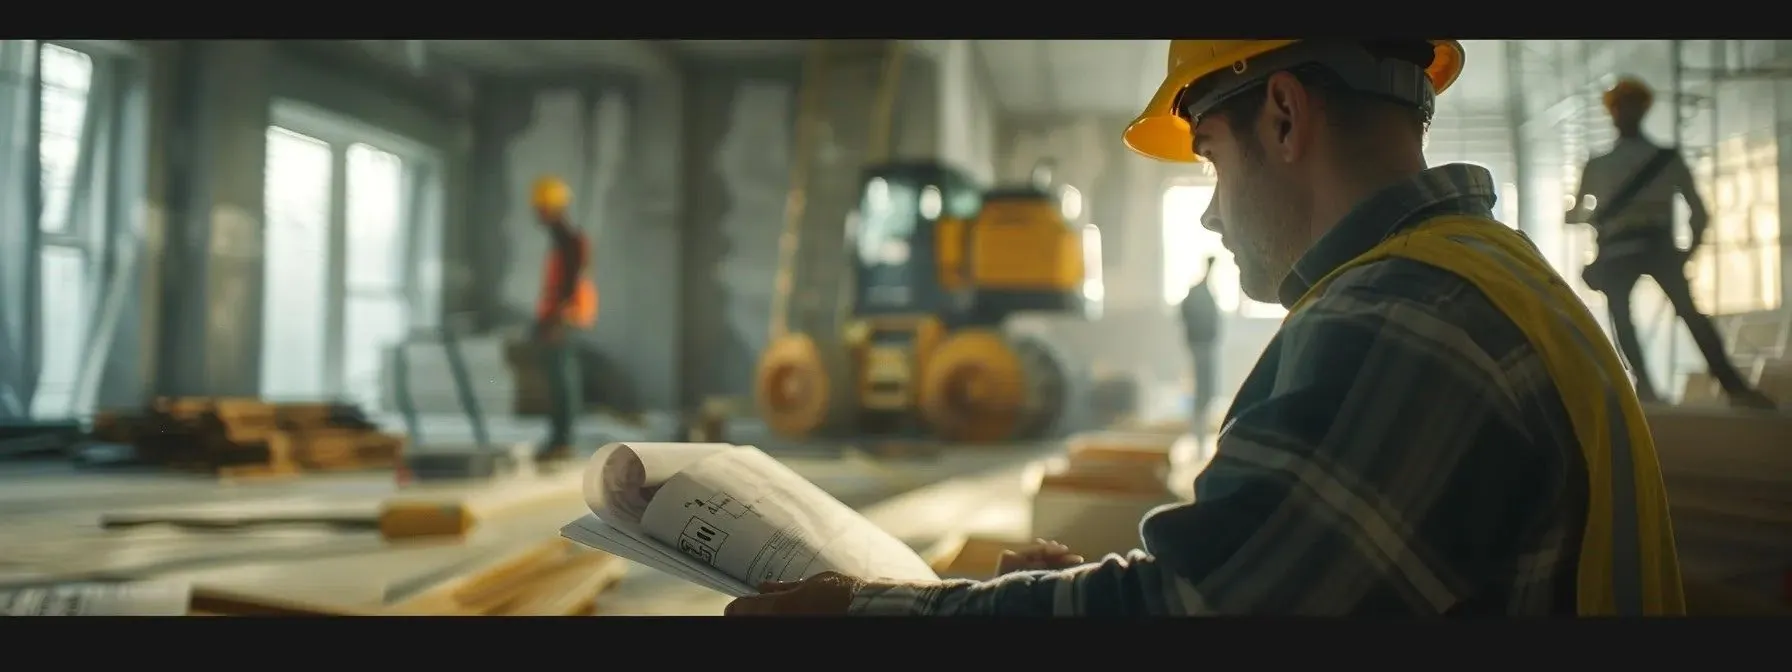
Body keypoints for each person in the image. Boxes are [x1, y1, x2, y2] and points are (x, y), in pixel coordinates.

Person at [725, 40, 1686, 617]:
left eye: (1210, 164)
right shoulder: (1491, 275)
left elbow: (1190, 624)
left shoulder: (1399, 318)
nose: (1210, 213)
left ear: (1281, 116)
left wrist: (865, 620)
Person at [1566, 77, 1775, 409]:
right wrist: (1686, 253)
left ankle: (1646, 389)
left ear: (1612, 113)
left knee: (1623, 316)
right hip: (1659, 249)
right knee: (1692, 316)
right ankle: (1734, 388)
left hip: (1617, 252)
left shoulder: (1598, 165)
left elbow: (1574, 215)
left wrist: (1588, 216)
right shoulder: (1667, 160)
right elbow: (1700, 213)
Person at [529, 175, 598, 462]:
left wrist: (558, 319)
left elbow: (570, 283)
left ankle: (562, 441)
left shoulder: (570, 241)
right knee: (559, 380)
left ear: (553, 208)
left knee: (562, 381)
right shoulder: (561, 240)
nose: (537, 215)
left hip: (564, 319)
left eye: (541, 208)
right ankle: (560, 438)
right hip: (558, 317)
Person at [1180, 255, 1222, 440]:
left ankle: (1200, 429)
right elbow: (1185, 315)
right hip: (1200, 345)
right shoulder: (1198, 293)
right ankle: (1198, 431)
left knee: (1207, 388)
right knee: (1202, 388)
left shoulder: (1204, 292)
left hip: (1205, 345)